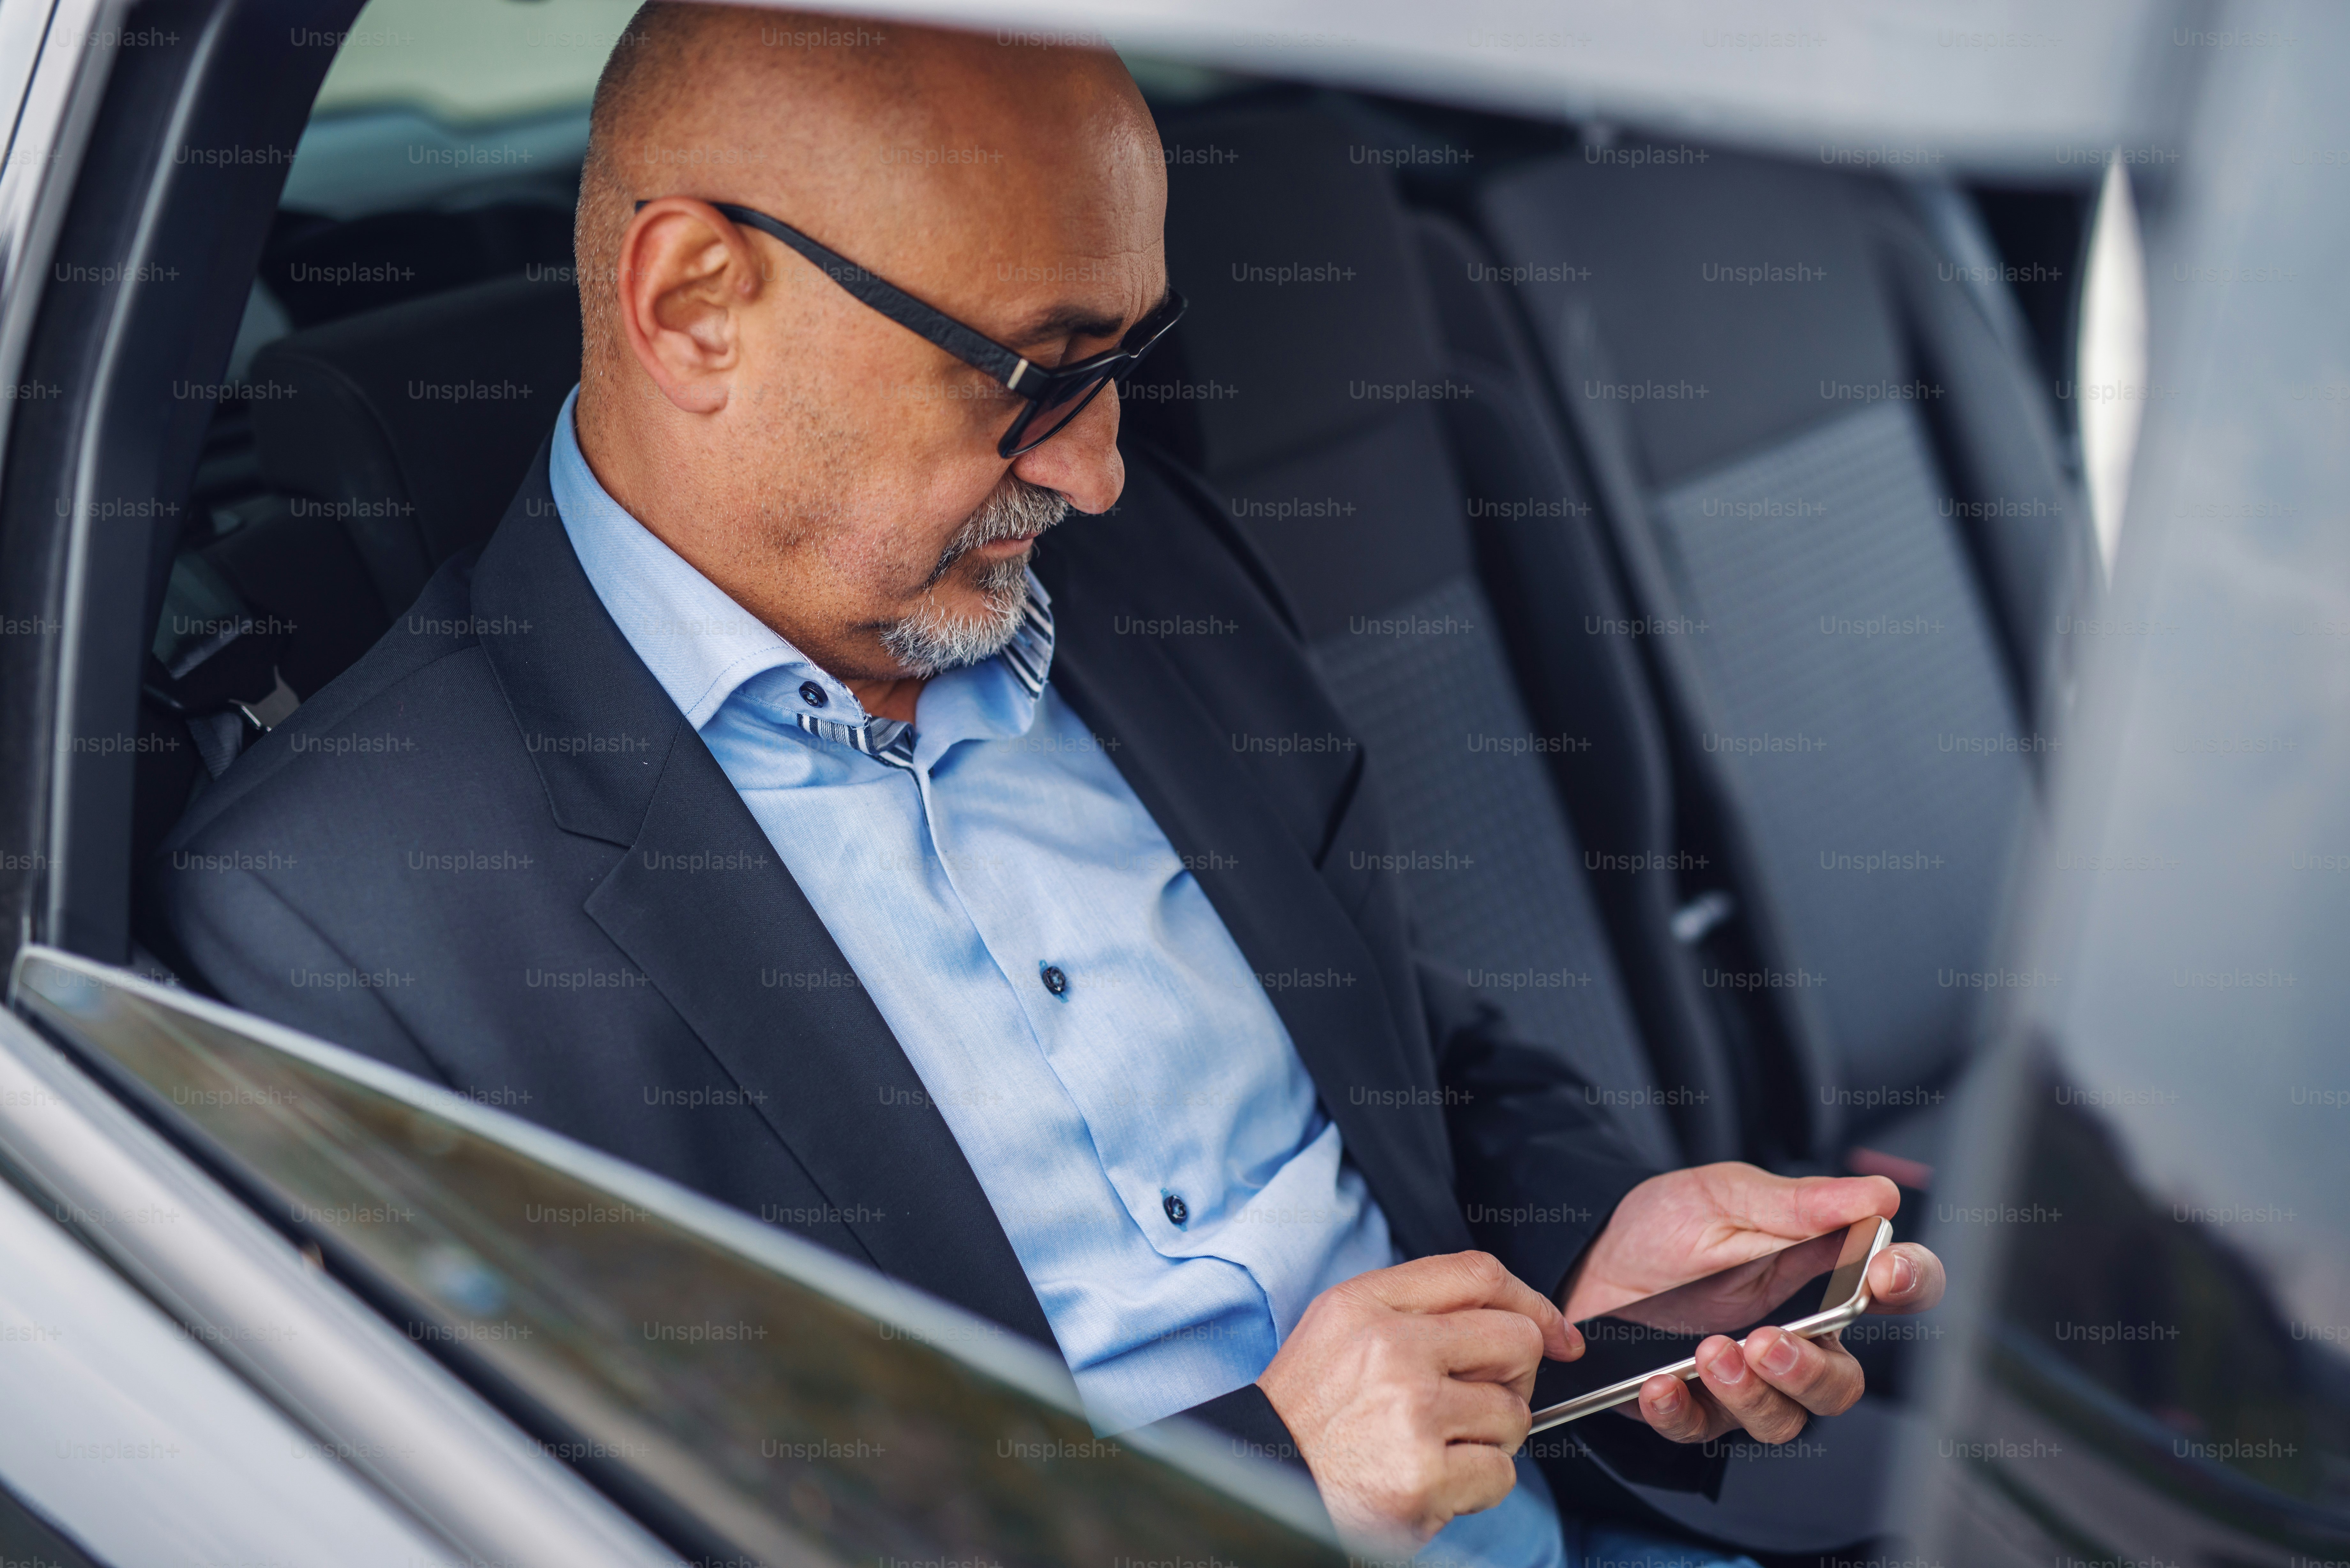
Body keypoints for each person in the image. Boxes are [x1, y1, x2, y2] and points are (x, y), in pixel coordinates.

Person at [155, 7, 1944, 1562]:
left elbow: (1408, 1048)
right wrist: (1266, 1485)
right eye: (1035, 376)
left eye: (1127, 365)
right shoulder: (344, 921)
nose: (1098, 471)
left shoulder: (1144, 572)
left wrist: (1606, 1275)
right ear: (696, 307)